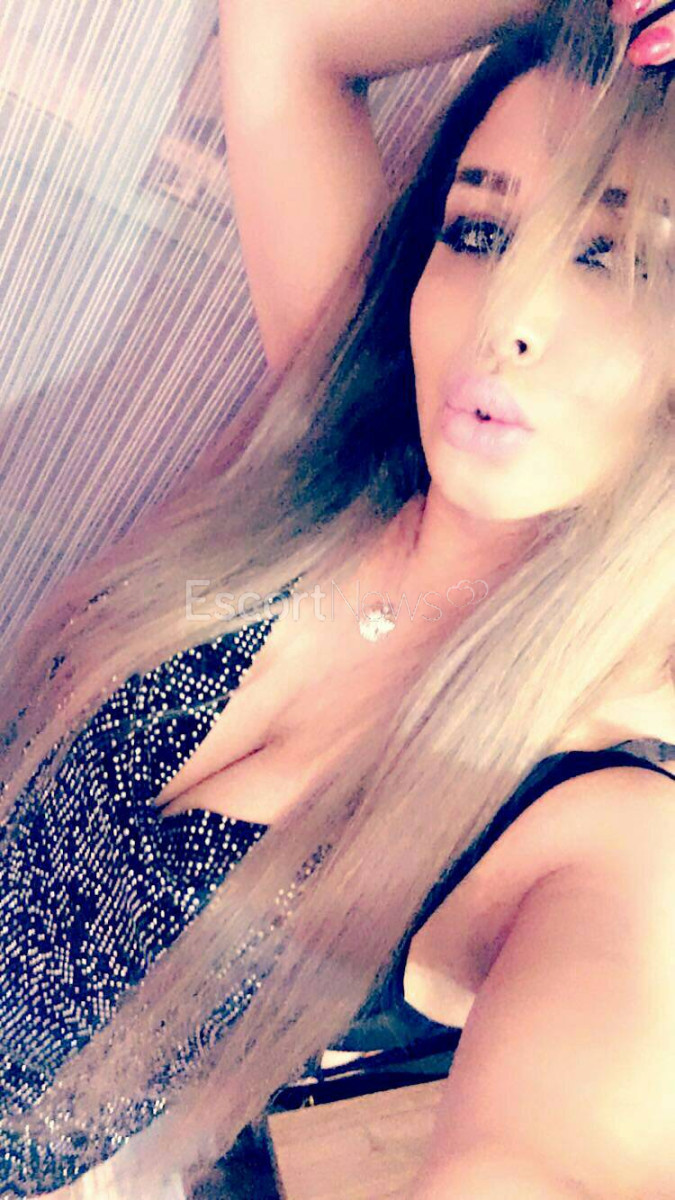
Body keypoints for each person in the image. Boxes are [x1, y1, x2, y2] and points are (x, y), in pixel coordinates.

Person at [1, 0, 674, 1196]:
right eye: (479, 231)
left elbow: (539, 1165)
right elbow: (286, 31)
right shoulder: (350, 443)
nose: (507, 317)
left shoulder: (607, 826)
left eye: (612, 258)